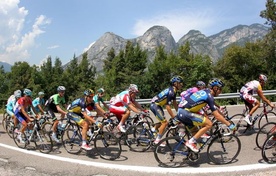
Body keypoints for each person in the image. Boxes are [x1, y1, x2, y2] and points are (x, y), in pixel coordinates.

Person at [175, 78, 236, 152]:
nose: (221, 91)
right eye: (220, 89)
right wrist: (229, 124)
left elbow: (214, 108)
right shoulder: (209, 96)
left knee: (196, 133)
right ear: (215, 88)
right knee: (209, 124)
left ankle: (191, 154)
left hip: (182, 112)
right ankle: (190, 142)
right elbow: (216, 116)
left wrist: (222, 115)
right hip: (185, 113)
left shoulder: (205, 92)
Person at [150, 76, 183, 145]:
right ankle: (157, 140)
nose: (181, 84)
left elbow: (174, 103)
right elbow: (168, 107)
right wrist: (173, 116)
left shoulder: (173, 90)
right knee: (164, 123)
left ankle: (153, 129)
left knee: (165, 122)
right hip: (155, 105)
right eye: (180, 83)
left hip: (157, 105)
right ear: (175, 84)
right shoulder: (171, 92)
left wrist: (179, 112)